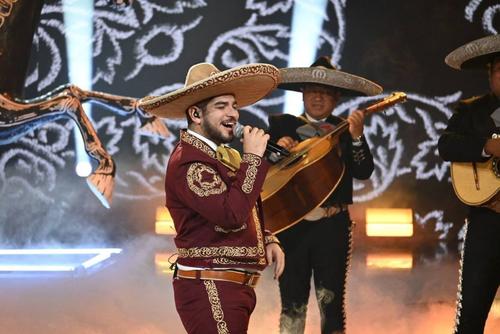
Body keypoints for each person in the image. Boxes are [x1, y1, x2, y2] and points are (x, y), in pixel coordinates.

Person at [139, 62, 285, 334]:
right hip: (211, 287)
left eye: (234, 105)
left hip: (229, 287)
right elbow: (229, 215)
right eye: (221, 106)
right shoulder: (190, 163)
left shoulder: (214, 157)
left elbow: (234, 204)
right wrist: (253, 159)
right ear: (196, 113)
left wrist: (265, 237)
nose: (233, 114)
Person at [267, 56, 382, 334]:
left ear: (337, 97)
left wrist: (356, 137)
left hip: (333, 227)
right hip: (292, 227)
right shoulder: (282, 124)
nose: (318, 98)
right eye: (312, 91)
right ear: (303, 94)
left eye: (326, 93)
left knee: (331, 303)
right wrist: (278, 149)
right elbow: (266, 166)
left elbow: (364, 171)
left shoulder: (346, 129)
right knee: (292, 304)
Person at [439, 34, 500, 334]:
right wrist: (487, 146)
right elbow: (446, 146)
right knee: (471, 314)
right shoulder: (471, 110)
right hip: (487, 220)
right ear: (490, 75)